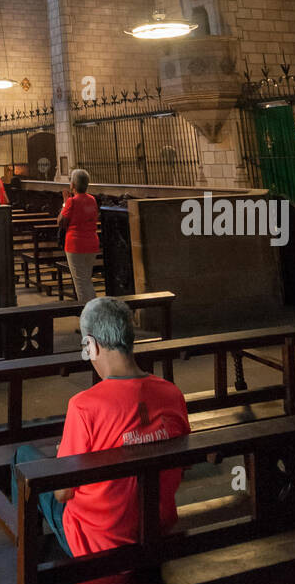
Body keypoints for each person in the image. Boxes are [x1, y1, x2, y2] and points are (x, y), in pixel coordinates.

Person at [11, 297, 190, 557]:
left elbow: (62, 493)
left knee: (24, 458)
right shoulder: (172, 394)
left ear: (92, 345)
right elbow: (181, 468)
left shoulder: (84, 407)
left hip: (97, 541)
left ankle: (24, 555)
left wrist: (67, 456)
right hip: (158, 528)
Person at [59, 168, 100, 304]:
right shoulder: (92, 200)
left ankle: (89, 319)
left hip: (76, 245)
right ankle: (94, 314)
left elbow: (61, 222)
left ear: (73, 185)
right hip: (92, 243)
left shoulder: (72, 201)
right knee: (86, 280)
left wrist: (65, 201)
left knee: (81, 285)